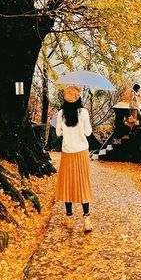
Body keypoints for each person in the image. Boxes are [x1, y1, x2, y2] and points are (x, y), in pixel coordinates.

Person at [55, 85, 94, 232]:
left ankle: (69, 218)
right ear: (78, 99)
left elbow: (58, 133)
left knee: (67, 184)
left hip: (67, 152)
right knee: (83, 183)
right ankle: (86, 219)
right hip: (82, 152)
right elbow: (88, 132)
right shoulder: (83, 112)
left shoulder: (61, 114)